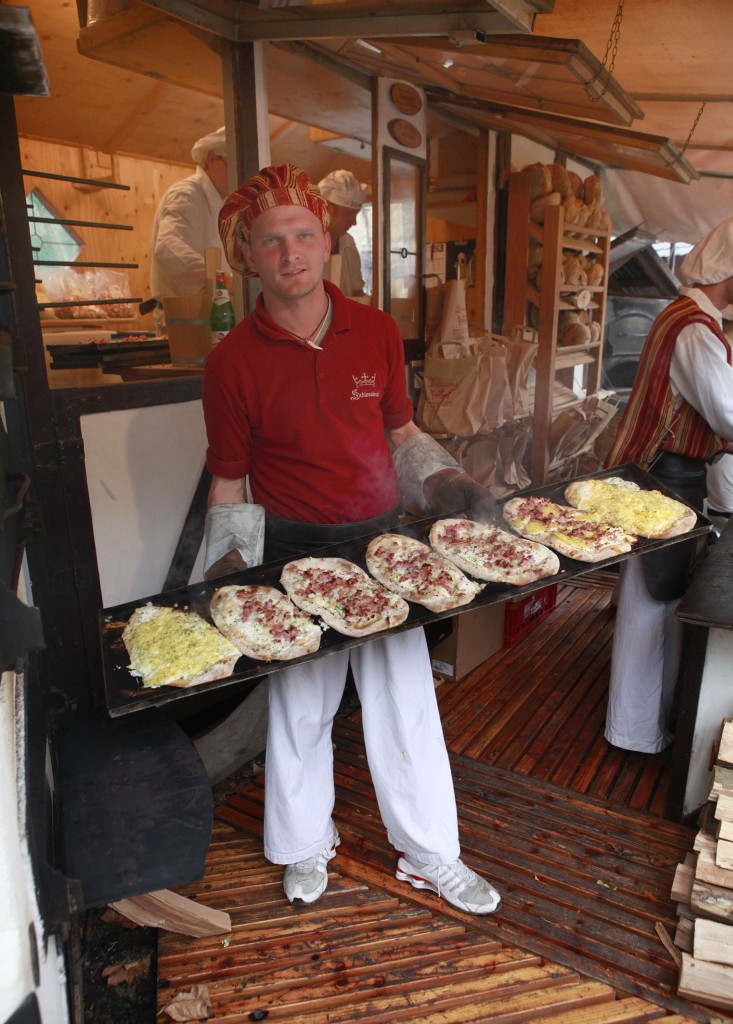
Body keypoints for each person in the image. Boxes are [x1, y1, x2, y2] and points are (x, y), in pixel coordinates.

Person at [201, 163, 501, 914]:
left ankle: (432, 856)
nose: (291, 253)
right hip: (291, 551)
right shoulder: (230, 361)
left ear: (328, 240)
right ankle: (305, 845)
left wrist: (446, 481)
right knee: (300, 707)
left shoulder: (374, 332)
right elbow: (229, 480)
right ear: (248, 256)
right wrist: (229, 565)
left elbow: (402, 434)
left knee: (405, 703)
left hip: (380, 547)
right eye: (272, 241)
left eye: (304, 235)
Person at [603, 216, 733, 754]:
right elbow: (728, 413)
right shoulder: (696, 331)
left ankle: (640, 728)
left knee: (651, 606)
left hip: (660, 479)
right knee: (653, 611)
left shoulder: (683, 317)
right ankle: (637, 734)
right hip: (667, 480)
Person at [149, 126, 229, 329]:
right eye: (233, 165)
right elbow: (167, 249)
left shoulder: (224, 204)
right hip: (184, 319)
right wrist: (221, 282)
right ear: (211, 158)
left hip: (210, 316)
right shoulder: (186, 194)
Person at [316, 168, 368, 298]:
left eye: (356, 215)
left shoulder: (348, 244)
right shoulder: (306, 244)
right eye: (349, 215)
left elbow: (357, 292)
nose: (354, 222)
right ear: (329, 209)